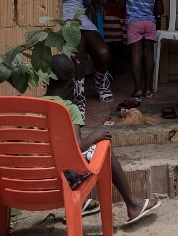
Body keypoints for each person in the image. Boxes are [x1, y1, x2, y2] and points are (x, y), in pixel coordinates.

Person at [44, 54, 160, 225]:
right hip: (63, 180)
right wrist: (94, 136)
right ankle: (133, 204)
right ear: (71, 84)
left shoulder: (33, 105)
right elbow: (78, 146)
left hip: (34, 180)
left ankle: (82, 203)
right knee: (103, 148)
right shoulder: (68, 109)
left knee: (57, 154)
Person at [53, 0, 113, 113]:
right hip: (62, 21)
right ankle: (79, 97)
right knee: (78, 44)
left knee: (104, 53)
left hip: (81, 18)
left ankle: (99, 83)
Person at [123, 0, 163, 101]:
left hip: (134, 23)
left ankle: (137, 89)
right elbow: (160, 11)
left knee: (136, 56)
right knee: (149, 56)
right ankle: (148, 88)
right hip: (150, 23)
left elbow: (121, 4)